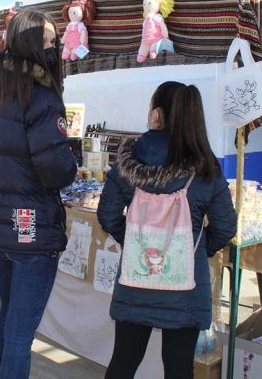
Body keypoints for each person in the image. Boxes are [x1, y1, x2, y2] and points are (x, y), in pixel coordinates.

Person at [0, 9, 78, 379]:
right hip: (27, 223)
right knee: (20, 331)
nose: (54, 48)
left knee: (10, 311)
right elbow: (54, 169)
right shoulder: (40, 97)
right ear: (29, 45)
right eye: (47, 41)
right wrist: (70, 163)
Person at [97, 82, 237, 379]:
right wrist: (193, 248)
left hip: (137, 280)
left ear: (157, 115)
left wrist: (139, 243)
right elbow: (225, 227)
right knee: (178, 368)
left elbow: (108, 215)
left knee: (123, 361)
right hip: (185, 286)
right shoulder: (206, 167)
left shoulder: (128, 161)